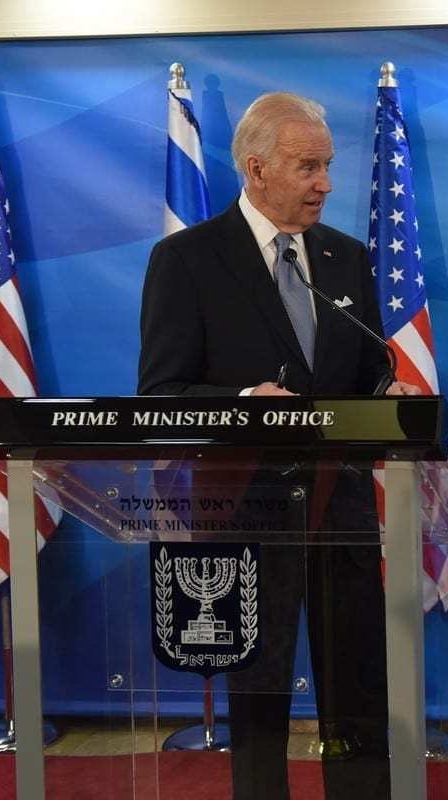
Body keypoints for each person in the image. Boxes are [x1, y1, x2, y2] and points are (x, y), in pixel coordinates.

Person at [139, 92, 418, 799]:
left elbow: (365, 374)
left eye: (327, 166)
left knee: (357, 683)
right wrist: (242, 406)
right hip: (246, 512)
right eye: (309, 166)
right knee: (258, 690)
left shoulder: (345, 258)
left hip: (341, 511)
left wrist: (386, 404)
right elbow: (160, 395)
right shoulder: (188, 260)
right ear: (257, 168)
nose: (326, 182)